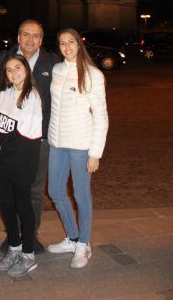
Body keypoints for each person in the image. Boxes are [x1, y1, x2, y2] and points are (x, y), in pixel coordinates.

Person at [47, 28, 108, 268]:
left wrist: (95, 152)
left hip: (81, 144)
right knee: (55, 191)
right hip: (57, 143)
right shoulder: (57, 69)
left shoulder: (92, 74)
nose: (66, 47)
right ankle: (72, 237)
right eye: (62, 43)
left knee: (81, 195)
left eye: (70, 42)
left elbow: (101, 116)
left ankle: (84, 244)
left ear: (79, 43)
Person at [0, 19, 59, 253]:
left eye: (36, 36)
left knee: (34, 189)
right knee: (11, 189)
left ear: (42, 40)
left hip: (39, 139)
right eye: (26, 34)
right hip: (9, 137)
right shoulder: (2, 59)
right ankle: (13, 234)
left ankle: (30, 235)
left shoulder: (54, 63)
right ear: (18, 37)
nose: (30, 40)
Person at [0, 54, 42, 277]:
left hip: (21, 161)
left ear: (26, 69)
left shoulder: (31, 96)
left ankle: (28, 254)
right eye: (9, 70)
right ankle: (14, 246)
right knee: (6, 205)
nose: (13, 73)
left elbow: (21, 133)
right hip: (1, 161)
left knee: (23, 206)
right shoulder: (5, 94)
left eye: (17, 67)